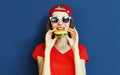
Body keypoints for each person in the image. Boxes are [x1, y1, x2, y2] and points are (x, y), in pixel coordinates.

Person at [32, 4, 89, 75]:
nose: (60, 23)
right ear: (50, 23)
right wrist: (47, 50)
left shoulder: (80, 49)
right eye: (55, 19)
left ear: (70, 22)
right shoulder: (41, 49)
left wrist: (75, 49)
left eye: (65, 19)